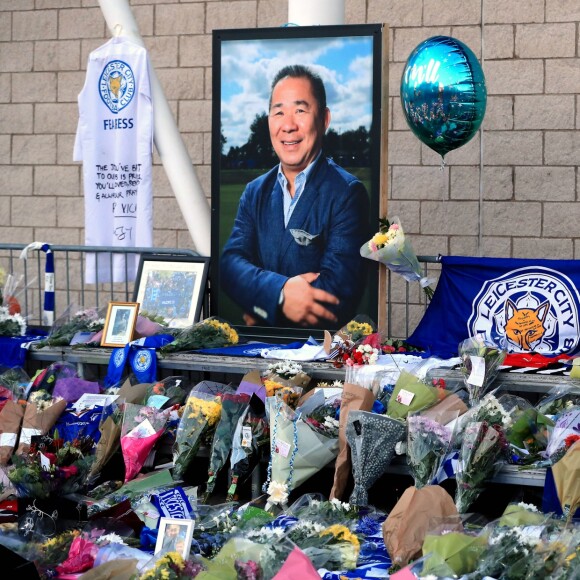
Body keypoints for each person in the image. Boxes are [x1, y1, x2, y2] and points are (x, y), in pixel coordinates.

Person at [220, 64, 370, 328]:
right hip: (258, 351)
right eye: (279, 112)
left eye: (300, 110)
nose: (288, 126)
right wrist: (278, 295)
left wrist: (260, 306)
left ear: (324, 119)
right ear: (269, 121)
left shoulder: (347, 193)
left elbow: (334, 297)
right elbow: (230, 267)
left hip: (317, 355)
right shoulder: (255, 192)